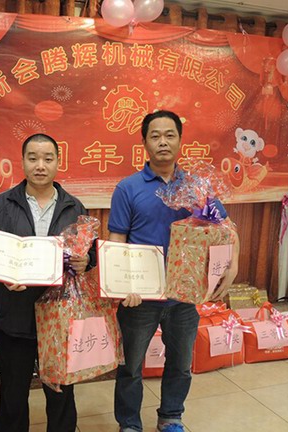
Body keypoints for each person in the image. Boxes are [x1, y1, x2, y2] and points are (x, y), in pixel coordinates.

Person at [108, 110, 240, 432]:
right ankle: (129, 423)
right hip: (141, 297)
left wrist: (233, 263)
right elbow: (117, 241)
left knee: (180, 363)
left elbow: (226, 229)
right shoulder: (128, 188)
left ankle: (171, 416)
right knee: (130, 366)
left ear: (180, 141)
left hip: (185, 295)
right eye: (155, 136)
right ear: (144, 142)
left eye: (170, 135)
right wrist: (122, 285)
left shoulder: (197, 187)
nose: (163, 142)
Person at [0, 133, 96, 432]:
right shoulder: (1, 205)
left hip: (60, 317)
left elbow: (91, 251)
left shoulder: (75, 207)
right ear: (22, 161)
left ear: (58, 162)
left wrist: (85, 261)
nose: (40, 165)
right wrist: (0, 274)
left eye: (48, 159)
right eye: (33, 158)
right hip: (13, 314)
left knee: (61, 391)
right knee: (13, 393)